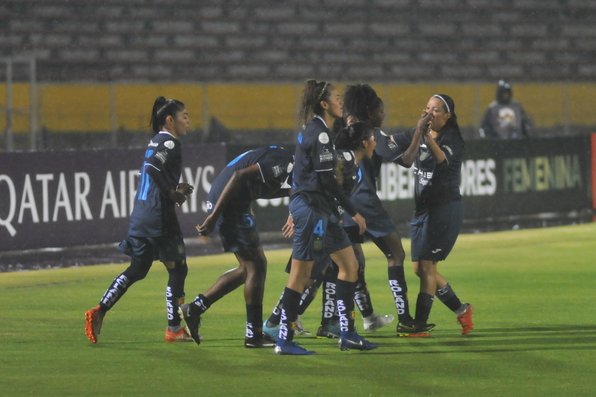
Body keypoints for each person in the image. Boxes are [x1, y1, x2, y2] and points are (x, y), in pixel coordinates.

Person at [274, 78, 377, 355]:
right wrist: (354, 212)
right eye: (336, 97)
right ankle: (283, 337)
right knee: (301, 274)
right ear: (324, 103)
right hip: (313, 210)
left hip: (318, 210)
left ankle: (348, 334)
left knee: (349, 264)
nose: (341, 101)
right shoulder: (319, 134)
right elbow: (327, 182)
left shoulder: (316, 130)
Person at [85, 96, 194, 344]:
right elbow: (154, 168)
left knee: (138, 269)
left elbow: (152, 169)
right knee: (178, 268)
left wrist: (172, 188)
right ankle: (174, 328)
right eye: (184, 115)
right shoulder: (170, 143)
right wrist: (171, 192)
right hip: (160, 217)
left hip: (142, 215)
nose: (188, 120)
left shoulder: (154, 141)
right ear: (170, 119)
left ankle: (99, 310)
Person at [179, 145, 294, 348]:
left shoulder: (283, 159)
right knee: (257, 267)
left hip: (233, 203)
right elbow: (240, 176)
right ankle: (253, 334)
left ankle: (195, 308)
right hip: (228, 205)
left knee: (247, 270)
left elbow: (257, 188)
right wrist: (213, 217)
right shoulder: (284, 163)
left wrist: (291, 192)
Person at [397, 94, 474, 336]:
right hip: (423, 209)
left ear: (448, 115)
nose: (430, 114)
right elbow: (401, 151)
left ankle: (420, 325)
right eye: (428, 109)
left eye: (437, 110)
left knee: (427, 267)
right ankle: (461, 310)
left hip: (444, 209)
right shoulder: (420, 132)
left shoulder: (454, 139)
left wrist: (426, 136)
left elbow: (442, 160)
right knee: (419, 268)